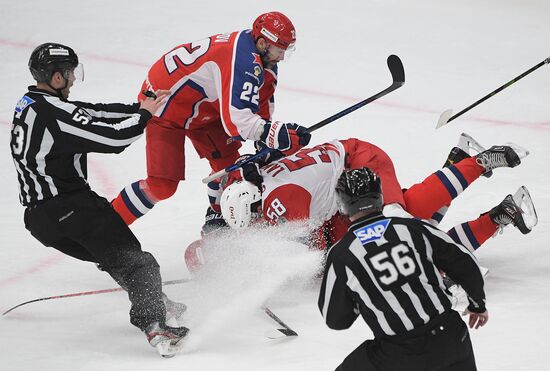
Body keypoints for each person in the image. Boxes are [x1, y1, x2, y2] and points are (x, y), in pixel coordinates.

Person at [10, 42, 187, 357]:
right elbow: (113, 138)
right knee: (139, 264)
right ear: (55, 77)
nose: (74, 78)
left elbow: (92, 112)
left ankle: (151, 297)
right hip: (72, 208)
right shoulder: (54, 113)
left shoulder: (30, 103)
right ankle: (155, 326)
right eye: (69, 73)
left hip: (39, 220)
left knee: (114, 256)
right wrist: (144, 117)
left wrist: (140, 107)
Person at [110, 11, 311, 227]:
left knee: (231, 170)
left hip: (202, 108)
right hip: (165, 107)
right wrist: (278, 135)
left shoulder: (263, 62)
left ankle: (217, 220)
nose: (282, 57)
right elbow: (239, 124)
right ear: (262, 42)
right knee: (162, 186)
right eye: (280, 50)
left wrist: (273, 141)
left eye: (286, 51)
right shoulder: (243, 61)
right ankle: (107, 225)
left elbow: (260, 118)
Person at [218, 135, 536, 250]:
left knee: (400, 224)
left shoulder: (282, 204)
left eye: (257, 216)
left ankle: (477, 165)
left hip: (361, 167)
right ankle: (462, 166)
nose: (260, 221)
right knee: (402, 228)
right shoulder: (242, 176)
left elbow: (312, 244)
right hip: (345, 176)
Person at [318, 167, 488, 371]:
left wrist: (359, 301)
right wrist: (478, 304)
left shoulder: (342, 255)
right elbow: (465, 261)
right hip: (451, 338)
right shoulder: (411, 229)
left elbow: (335, 320)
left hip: (399, 354)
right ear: (380, 196)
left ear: (343, 206)